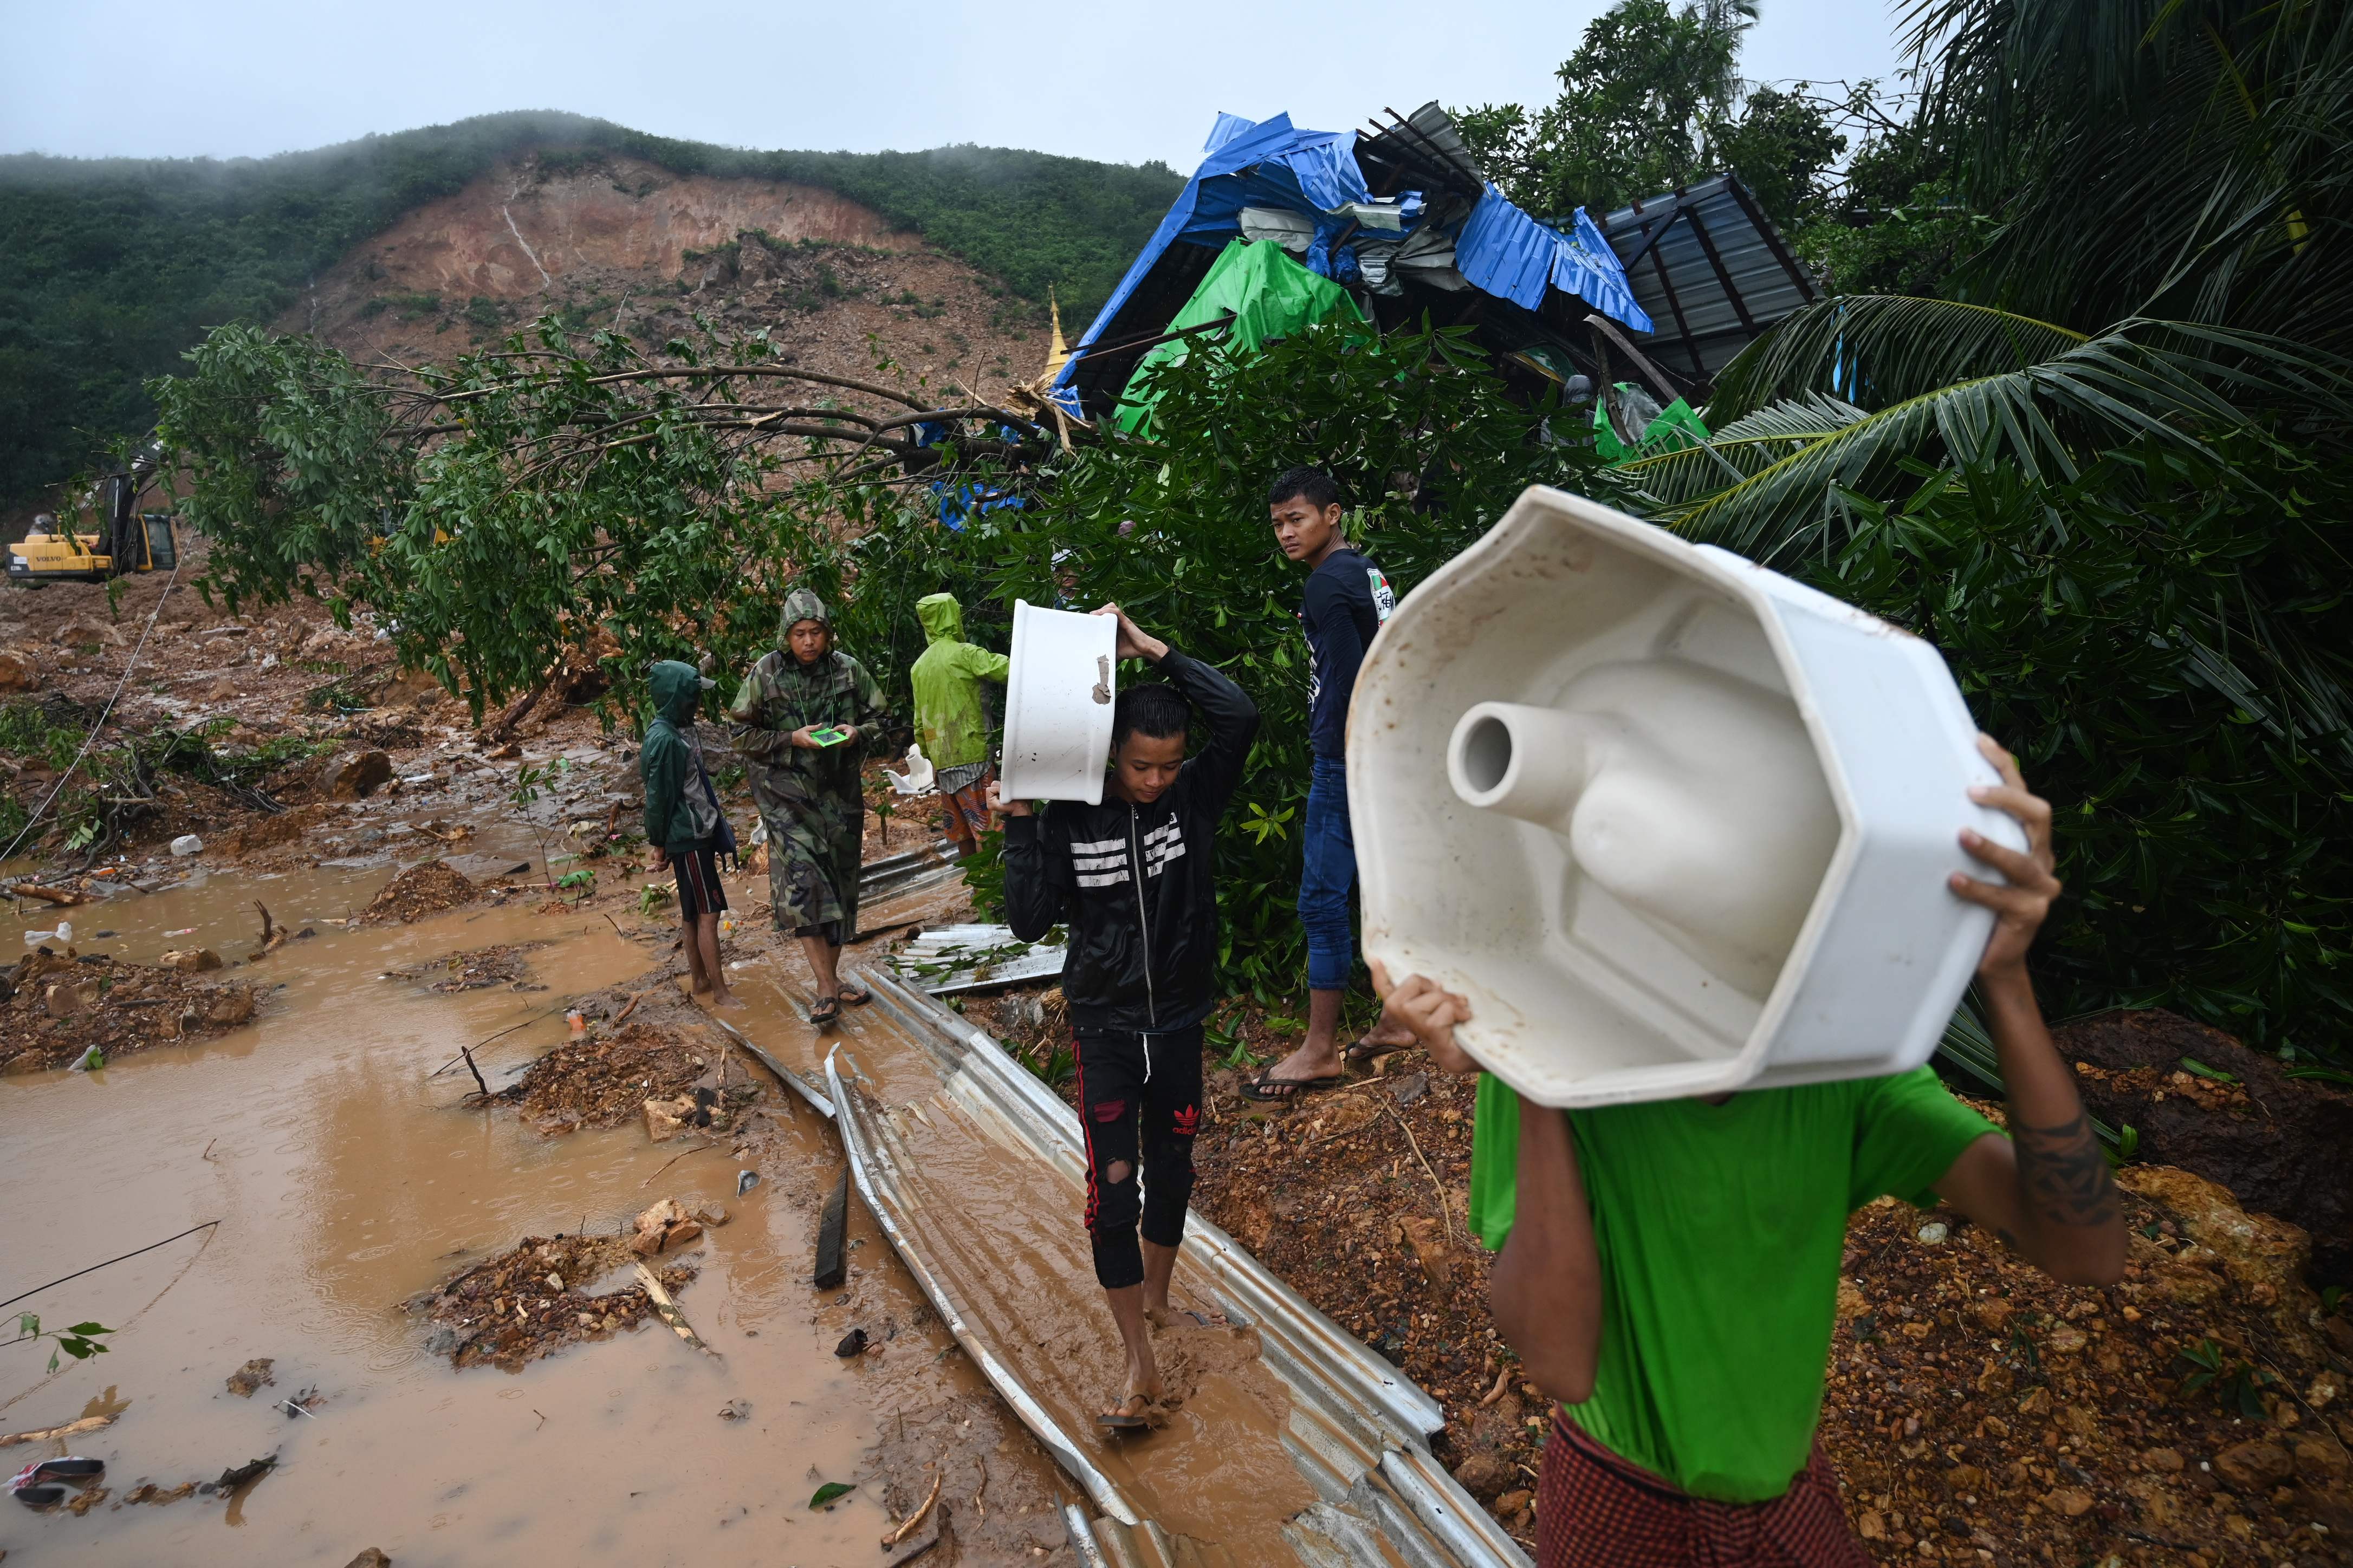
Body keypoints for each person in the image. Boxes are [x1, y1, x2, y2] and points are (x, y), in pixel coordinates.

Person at [1373, 737, 2124, 1568]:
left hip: (1782, 1492)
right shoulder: (1556, 1070)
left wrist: (2005, 980)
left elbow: (2082, 1249)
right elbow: (1560, 1364)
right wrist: (1538, 1061)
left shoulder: (1840, 1068)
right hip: (1612, 1496)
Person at [991, 605, 1260, 1431]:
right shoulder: (1068, 814)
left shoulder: (1192, 798)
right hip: (1105, 1025)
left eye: (1168, 765)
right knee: (1113, 1190)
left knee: (1172, 1168)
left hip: (1177, 1017)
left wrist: (1151, 647)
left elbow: (1239, 715)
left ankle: (1159, 1300)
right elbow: (1028, 921)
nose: (1155, 780)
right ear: (1112, 751)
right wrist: (1018, 824)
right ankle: (1137, 1360)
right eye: (1142, 765)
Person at [1246, 465, 1415, 1101]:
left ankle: (1319, 1051)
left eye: (1296, 519)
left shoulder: (1325, 584)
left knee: (1321, 901)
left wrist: (1345, 754)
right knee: (1383, 890)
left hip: (1349, 759)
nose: (1286, 534)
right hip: (1387, 752)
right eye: (1277, 524)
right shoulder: (1366, 572)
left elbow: (1350, 681)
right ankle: (1397, 1018)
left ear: (1332, 514)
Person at [728, 587, 889, 1027]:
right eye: (799, 633)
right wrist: (790, 739)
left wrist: (857, 734)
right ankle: (824, 987)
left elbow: (884, 720)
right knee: (805, 887)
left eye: (816, 632)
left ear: (827, 633)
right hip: (786, 799)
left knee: (840, 888)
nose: (808, 641)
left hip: (839, 795)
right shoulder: (766, 672)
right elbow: (738, 735)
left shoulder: (848, 670)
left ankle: (831, 980)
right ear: (786, 635)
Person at [639, 659, 739, 1010]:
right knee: (708, 915)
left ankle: (700, 981)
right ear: (678, 697)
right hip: (691, 837)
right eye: (693, 696)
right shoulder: (668, 740)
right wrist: (658, 844)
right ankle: (721, 992)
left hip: (687, 834)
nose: (697, 702)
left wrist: (662, 843)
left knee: (692, 912)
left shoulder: (668, 731)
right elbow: (659, 798)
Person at [909, 590, 1009, 858]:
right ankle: (991, 883)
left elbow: (919, 721)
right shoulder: (965, 654)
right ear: (953, 617)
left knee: (962, 833)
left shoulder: (919, 668)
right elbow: (1008, 670)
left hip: (943, 763)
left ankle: (975, 882)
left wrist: (931, 758)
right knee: (987, 831)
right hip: (974, 756)